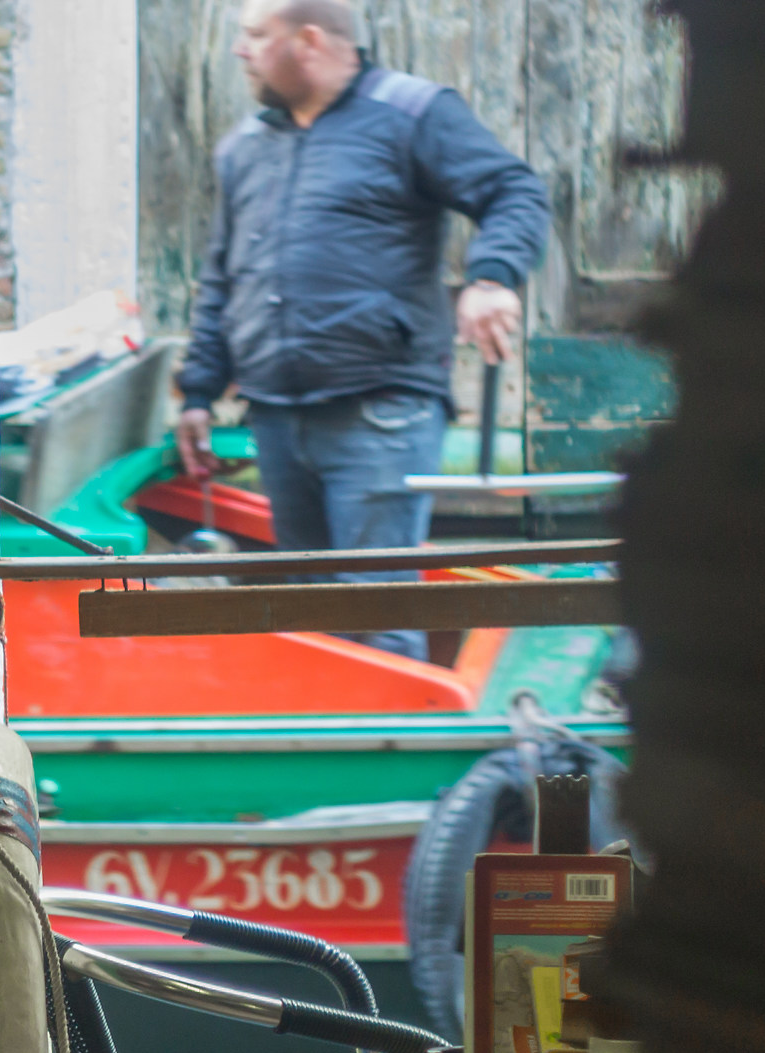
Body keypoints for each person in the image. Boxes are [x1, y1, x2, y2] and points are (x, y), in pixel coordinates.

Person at [174, 0, 550, 659]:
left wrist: (492, 279)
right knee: (314, 621)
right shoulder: (246, 148)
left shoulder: (412, 114)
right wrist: (199, 392)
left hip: (380, 414)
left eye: (256, 35)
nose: (240, 50)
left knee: (377, 617)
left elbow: (513, 192)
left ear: (308, 40)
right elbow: (223, 279)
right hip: (276, 417)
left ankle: (396, 727)